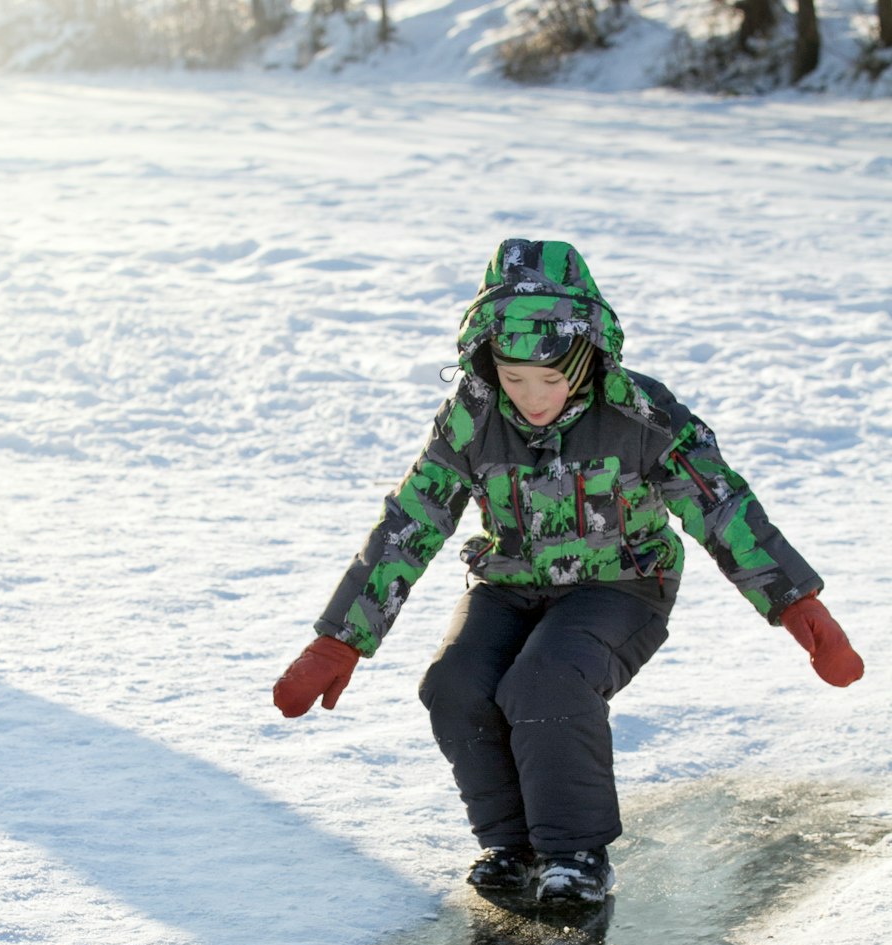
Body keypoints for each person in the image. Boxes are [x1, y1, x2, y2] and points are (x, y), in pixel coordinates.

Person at [273, 239, 863, 905]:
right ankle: (512, 845)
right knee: (455, 682)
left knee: (548, 681)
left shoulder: (641, 415)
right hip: (507, 581)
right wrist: (341, 637)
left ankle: (575, 854)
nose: (531, 398)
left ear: (585, 359)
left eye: (549, 379)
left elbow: (719, 505)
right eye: (514, 377)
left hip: (622, 584)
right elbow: (413, 519)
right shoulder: (471, 415)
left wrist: (795, 602)